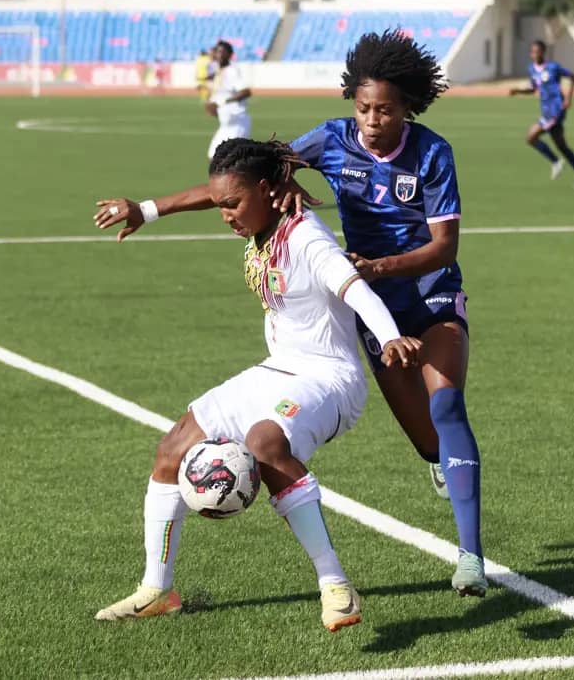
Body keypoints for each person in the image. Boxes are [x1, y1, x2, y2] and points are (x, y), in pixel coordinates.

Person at [93, 29, 488, 598]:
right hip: (372, 309)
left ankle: (471, 557)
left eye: (385, 110)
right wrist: (152, 208)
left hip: (426, 292)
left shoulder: (432, 153)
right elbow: (245, 177)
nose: (372, 120)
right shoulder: (333, 139)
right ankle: (438, 459)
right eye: (363, 108)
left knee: (447, 405)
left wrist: (380, 267)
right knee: (428, 440)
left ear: (409, 108)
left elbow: (444, 247)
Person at [92, 138, 421, 631]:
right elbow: (215, 192)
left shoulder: (307, 237)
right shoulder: (256, 211)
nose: (224, 213)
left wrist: (390, 337)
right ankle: (156, 589)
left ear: (268, 190)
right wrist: (145, 209)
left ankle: (335, 585)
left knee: (264, 443)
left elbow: (354, 287)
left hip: (330, 378)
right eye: (221, 203)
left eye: (233, 204)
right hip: (278, 368)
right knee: (172, 449)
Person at [509, 40, 574, 189]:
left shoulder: (553, 67)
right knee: (561, 146)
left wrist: (568, 98)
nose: (534, 55)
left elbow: (572, 76)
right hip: (547, 111)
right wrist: (517, 91)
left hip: (556, 110)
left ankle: (556, 162)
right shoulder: (532, 69)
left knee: (531, 137)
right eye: (532, 52)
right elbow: (533, 88)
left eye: (536, 51)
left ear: (542, 52)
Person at [205, 40, 252, 160]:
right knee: (213, 158)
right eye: (217, 51)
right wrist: (213, 108)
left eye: (222, 52)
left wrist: (222, 103)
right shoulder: (217, 72)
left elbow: (246, 92)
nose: (219, 54)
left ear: (230, 55)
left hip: (237, 124)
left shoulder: (232, 71)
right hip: (225, 125)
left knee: (228, 161)